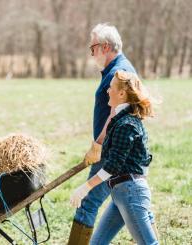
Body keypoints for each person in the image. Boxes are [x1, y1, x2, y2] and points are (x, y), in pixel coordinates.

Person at [67, 23, 158, 244]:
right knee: (132, 208)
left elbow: (113, 115)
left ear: (105, 46)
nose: (91, 53)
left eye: (93, 48)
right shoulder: (112, 71)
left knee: (88, 202)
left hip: (113, 156)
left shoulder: (120, 73)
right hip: (121, 181)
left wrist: (98, 145)